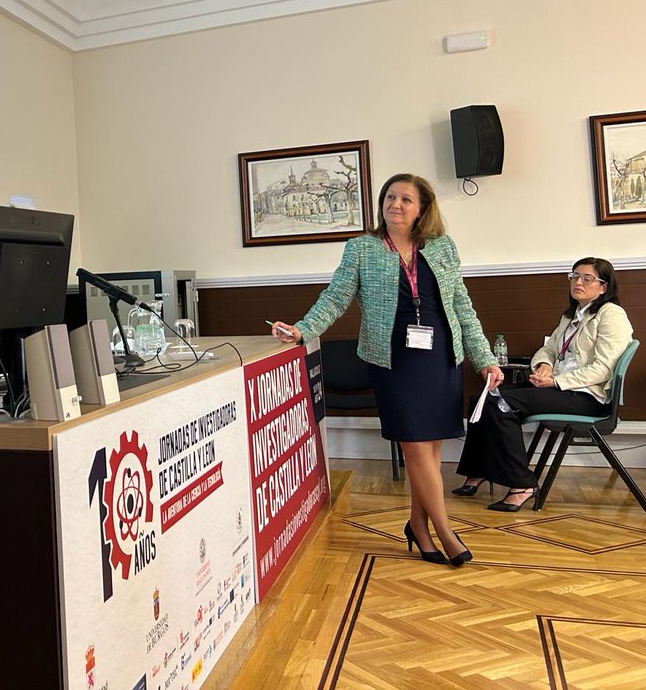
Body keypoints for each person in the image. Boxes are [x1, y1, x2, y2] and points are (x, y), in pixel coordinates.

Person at [271, 173, 501, 567]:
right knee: (415, 446)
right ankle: (445, 531)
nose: (396, 204)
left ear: (422, 209)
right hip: (393, 359)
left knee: (429, 449)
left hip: (440, 355)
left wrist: (484, 359)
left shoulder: (442, 247)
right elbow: (336, 296)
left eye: (406, 199)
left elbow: (463, 305)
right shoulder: (362, 248)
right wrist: (303, 329)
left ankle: (418, 526)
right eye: (390, 197)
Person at [454, 257, 633, 511]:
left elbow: (602, 369)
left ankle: (522, 484)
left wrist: (556, 381)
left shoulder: (611, 315)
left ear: (603, 287)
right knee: (482, 398)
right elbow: (547, 349)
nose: (578, 282)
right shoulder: (571, 316)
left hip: (586, 397)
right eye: (574, 276)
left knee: (500, 403)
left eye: (586, 278)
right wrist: (544, 367)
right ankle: (478, 472)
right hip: (560, 387)